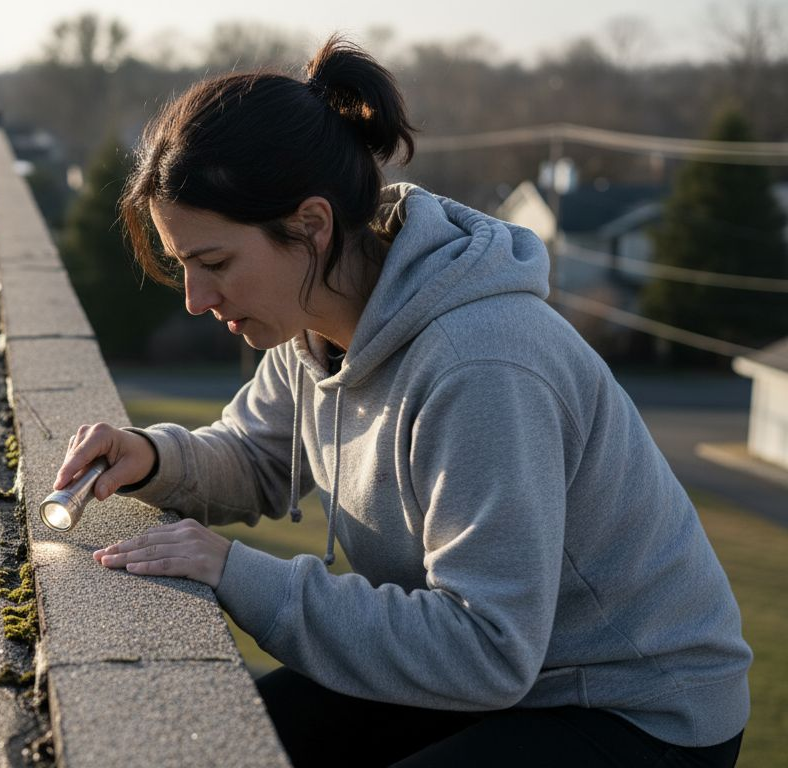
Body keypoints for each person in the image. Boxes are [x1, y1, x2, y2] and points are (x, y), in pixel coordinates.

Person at [52, 35, 750, 768]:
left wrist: (235, 570)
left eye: (215, 263)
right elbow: (258, 455)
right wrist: (153, 456)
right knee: (226, 743)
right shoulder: (315, 320)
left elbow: (487, 649)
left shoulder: (479, 362)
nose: (196, 300)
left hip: (634, 707)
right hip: (494, 669)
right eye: (183, 266)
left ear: (311, 226)